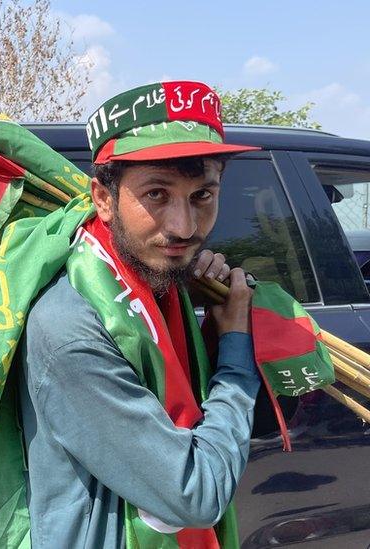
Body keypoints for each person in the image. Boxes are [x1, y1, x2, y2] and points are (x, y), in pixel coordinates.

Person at [18, 82, 263, 548]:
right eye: (156, 194)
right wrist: (234, 350)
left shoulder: (160, 283)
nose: (184, 227)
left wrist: (209, 322)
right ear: (104, 198)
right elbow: (194, 495)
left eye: (202, 197)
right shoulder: (71, 329)